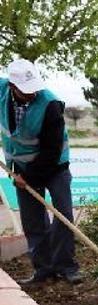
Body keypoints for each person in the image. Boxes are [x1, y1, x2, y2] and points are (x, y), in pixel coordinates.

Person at [1, 59, 81, 286]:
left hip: (55, 167)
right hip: (22, 167)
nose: (32, 93)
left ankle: (66, 266)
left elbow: (51, 150)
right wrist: (22, 174)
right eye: (26, 91)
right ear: (12, 87)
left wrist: (28, 178)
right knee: (33, 221)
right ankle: (44, 270)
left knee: (63, 214)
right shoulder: (2, 90)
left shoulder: (51, 104)